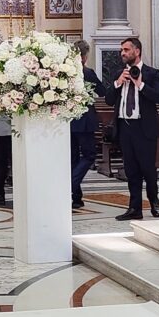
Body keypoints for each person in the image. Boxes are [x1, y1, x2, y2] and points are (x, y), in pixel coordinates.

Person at [105, 38, 159, 221]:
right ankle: (134, 208)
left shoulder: (152, 73)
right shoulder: (119, 73)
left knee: (148, 168)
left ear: (137, 51)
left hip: (144, 128)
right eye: (121, 50)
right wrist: (117, 83)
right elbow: (108, 100)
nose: (122, 53)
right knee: (131, 170)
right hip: (125, 127)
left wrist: (140, 84)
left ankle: (153, 199)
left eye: (126, 49)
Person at [70, 40, 106, 209]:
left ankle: (76, 198)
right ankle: (72, 183)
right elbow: (103, 92)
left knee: (73, 158)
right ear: (84, 57)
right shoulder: (87, 73)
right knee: (89, 155)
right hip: (84, 121)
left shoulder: (65, 75)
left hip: (68, 120)